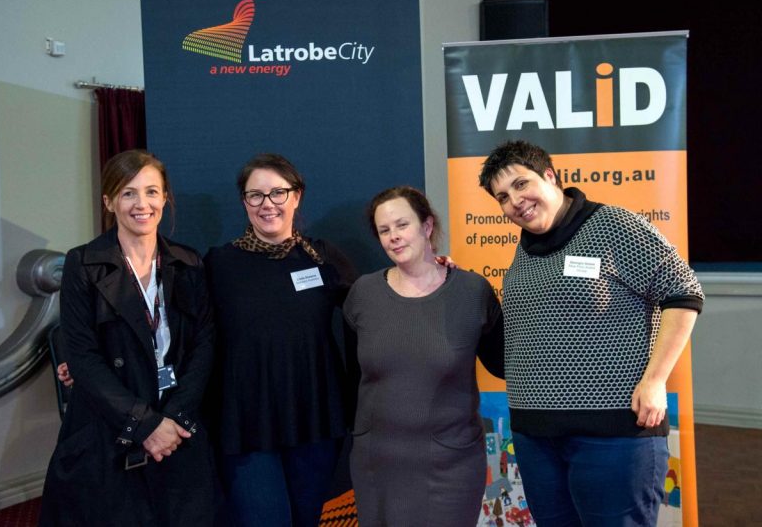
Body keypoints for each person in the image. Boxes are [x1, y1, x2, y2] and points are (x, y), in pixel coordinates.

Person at [478, 140, 704, 526]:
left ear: (549, 176)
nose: (514, 201)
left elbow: (684, 293)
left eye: (520, 184)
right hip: (536, 435)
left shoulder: (612, 225)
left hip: (613, 433)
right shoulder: (527, 249)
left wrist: (655, 380)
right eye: (502, 196)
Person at [39, 150, 216, 526]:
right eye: (128, 193)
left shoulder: (189, 262)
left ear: (165, 198)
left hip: (178, 426)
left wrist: (173, 419)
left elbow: (204, 344)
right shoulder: (82, 263)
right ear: (109, 201)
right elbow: (82, 357)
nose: (142, 204)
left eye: (152, 192)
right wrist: (145, 425)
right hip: (109, 428)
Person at [204, 154, 358, 527]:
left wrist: (431, 276)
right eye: (255, 195)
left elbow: (377, 310)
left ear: (297, 196)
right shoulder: (218, 264)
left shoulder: (323, 258)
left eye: (277, 192)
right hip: (246, 423)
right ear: (244, 202)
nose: (267, 204)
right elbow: (179, 332)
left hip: (314, 417)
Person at [343, 186, 505, 527]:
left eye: (402, 225)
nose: (394, 237)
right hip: (378, 464)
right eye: (384, 230)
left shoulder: (471, 291)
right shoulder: (363, 294)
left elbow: (503, 363)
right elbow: (352, 373)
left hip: (451, 465)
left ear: (427, 226)